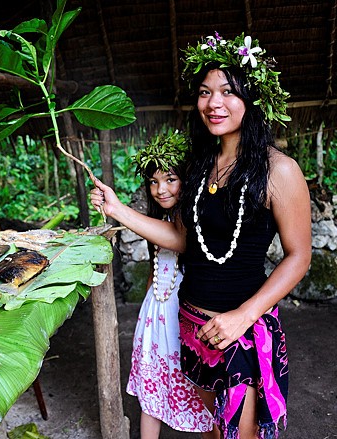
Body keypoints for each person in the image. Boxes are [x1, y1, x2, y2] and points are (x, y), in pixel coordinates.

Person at [91, 32, 311, 439]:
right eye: (205, 92)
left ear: (252, 99)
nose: (214, 103)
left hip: (242, 330)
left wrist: (242, 317)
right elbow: (182, 238)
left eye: (228, 92)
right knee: (213, 432)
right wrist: (118, 209)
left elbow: (299, 256)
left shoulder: (279, 171)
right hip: (192, 326)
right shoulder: (200, 165)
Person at [124, 131, 214, 438]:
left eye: (170, 179)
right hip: (156, 312)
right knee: (152, 384)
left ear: (186, 179)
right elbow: (155, 266)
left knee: (201, 388)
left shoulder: (190, 219)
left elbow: (182, 244)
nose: (160, 189)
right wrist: (147, 311)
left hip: (186, 313)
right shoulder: (160, 217)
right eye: (153, 182)